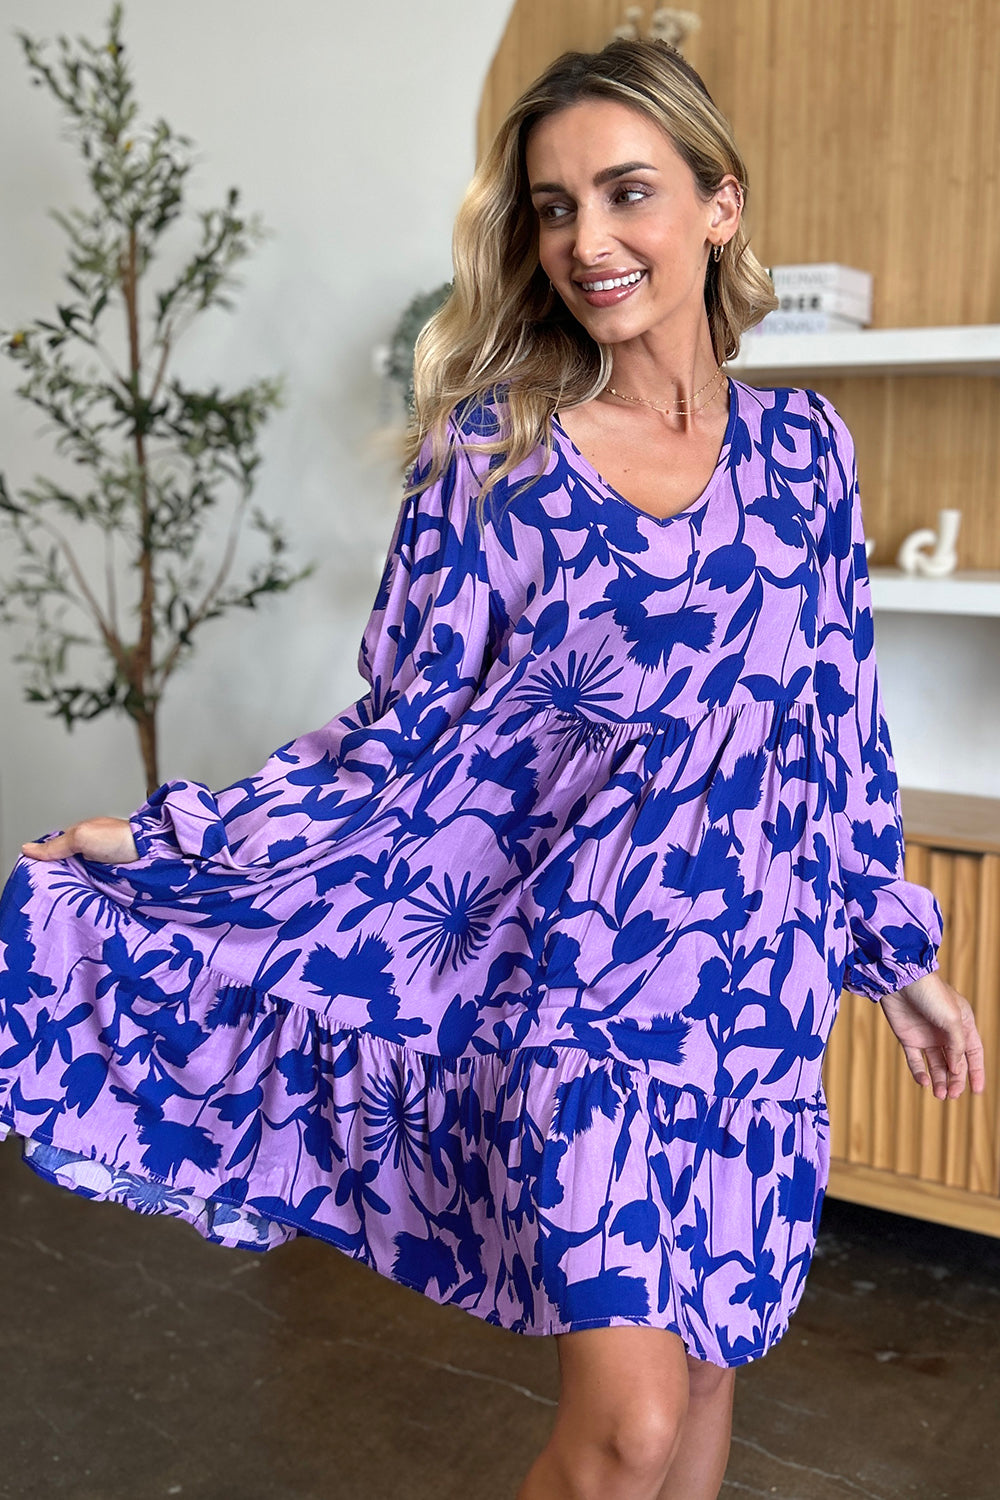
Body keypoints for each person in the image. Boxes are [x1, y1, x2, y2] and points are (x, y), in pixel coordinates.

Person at [0, 35, 986, 1500]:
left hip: (757, 997)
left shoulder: (808, 455)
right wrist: (182, 844)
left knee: (705, 1395)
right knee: (625, 1434)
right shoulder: (494, 454)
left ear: (718, 205)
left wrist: (892, 957)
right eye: (552, 204)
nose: (587, 238)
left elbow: (835, 733)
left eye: (628, 192)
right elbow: (402, 738)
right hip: (581, 998)